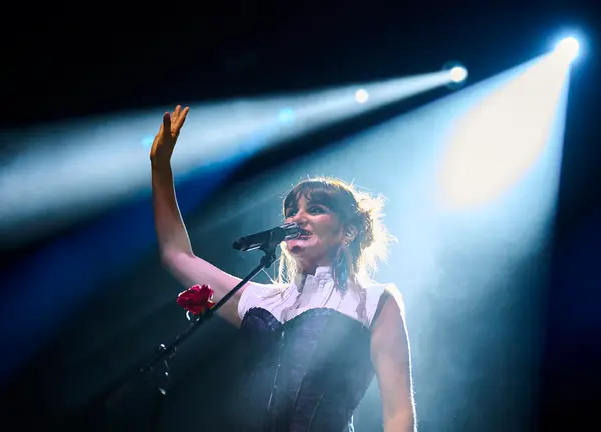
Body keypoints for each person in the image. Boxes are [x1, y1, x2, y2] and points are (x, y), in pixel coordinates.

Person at [150, 105, 415, 431]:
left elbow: (398, 415)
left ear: (348, 231)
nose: (296, 218)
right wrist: (160, 169)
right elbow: (177, 255)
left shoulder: (375, 301)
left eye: (315, 209)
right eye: (291, 211)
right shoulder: (259, 299)